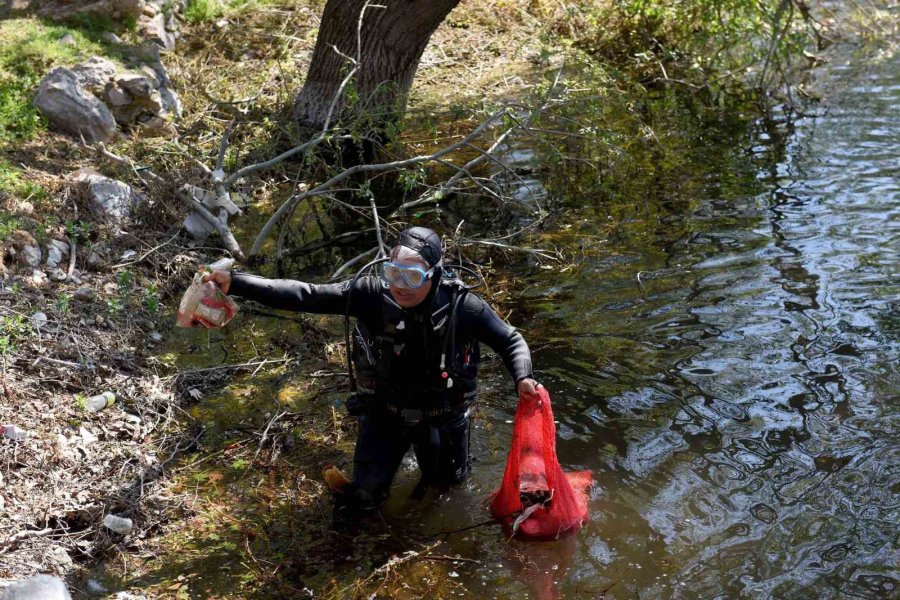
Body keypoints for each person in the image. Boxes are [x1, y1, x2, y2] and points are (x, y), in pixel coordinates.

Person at [203, 226, 541, 519]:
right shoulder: (369, 295)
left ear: (434, 274)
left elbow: (511, 339)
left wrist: (522, 377)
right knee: (362, 500)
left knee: (447, 492)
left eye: (413, 277)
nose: (401, 286)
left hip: (443, 417)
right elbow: (305, 295)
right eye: (394, 274)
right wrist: (237, 283)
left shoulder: (462, 307)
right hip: (385, 415)